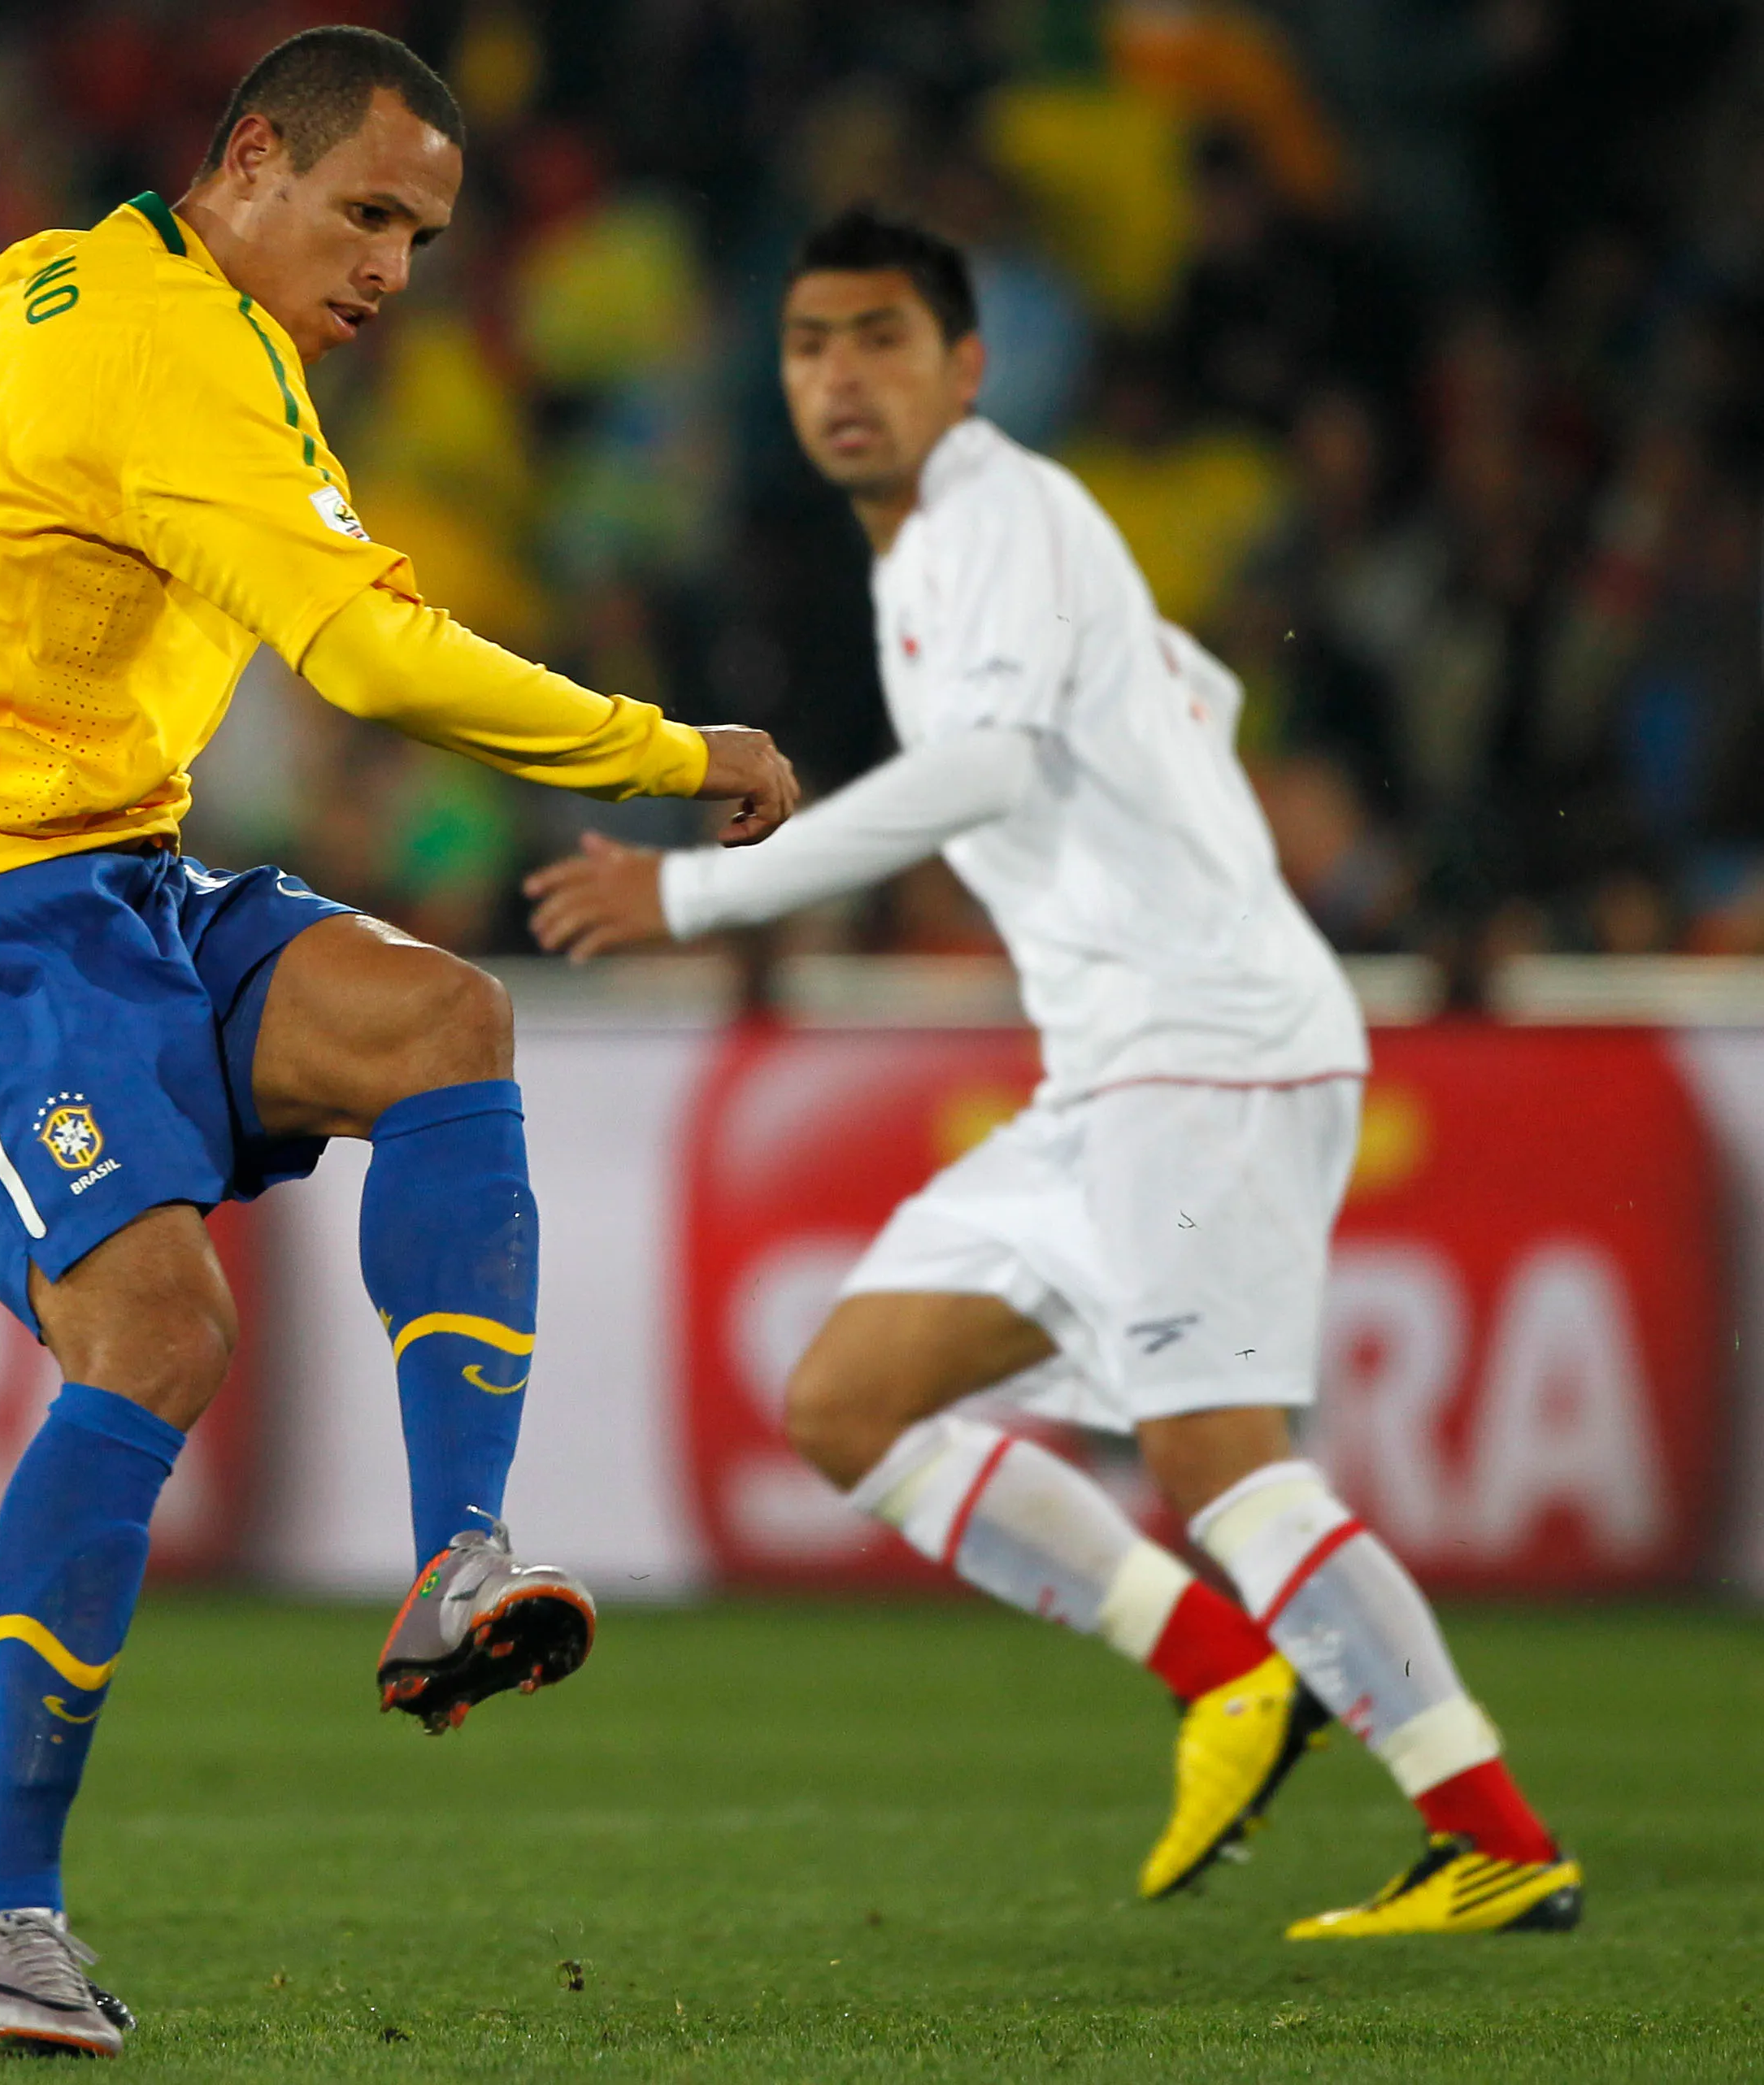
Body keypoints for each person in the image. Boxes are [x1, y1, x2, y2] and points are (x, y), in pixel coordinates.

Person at [0, 24, 798, 2056]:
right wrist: (673, 750)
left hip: (113, 876)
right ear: (249, 162)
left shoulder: (60, 277)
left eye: (422, 232)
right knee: (163, 1332)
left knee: (440, 1022)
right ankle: (4, 1920)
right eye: (366, 210)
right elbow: (369, 652)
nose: (392, 263)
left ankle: (457, 1562)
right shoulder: (178, 354)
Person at [524, 206, 1579, 1941]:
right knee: (846, 1400)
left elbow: (991, 764)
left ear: (967, 365)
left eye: (880, 338)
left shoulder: (997, 512)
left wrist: (694, 889)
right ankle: (1222, 1668)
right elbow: (1190, 692)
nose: (840, 375)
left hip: (1208, 1042)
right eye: (807, 344)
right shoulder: (947, 551)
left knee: (1219, 1456)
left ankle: (1495, 1832)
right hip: (1113, 1065)